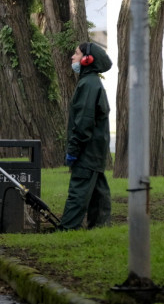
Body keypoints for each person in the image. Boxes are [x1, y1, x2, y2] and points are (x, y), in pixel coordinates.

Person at [61, 41, 112, 230]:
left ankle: (67, 229)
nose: (72, 57)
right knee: (99, 194)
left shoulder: (88, 85)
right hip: (95, 151)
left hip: (87, 152)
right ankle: (100, 229)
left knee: (78, 191)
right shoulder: (91, 83)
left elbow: (83, 122)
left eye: (76, 53)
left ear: (87, 59)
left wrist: (73, 149)